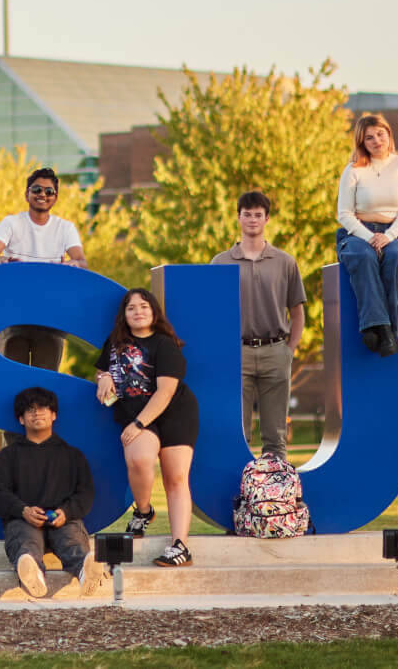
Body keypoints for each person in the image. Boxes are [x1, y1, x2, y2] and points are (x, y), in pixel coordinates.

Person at [96, 288, 198, 567]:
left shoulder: (165, 344)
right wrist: (103, 375)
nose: (138, 311)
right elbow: (102, 369)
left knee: (176, 478)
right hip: (134, 412)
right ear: (124, 315)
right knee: (140, 459)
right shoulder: (115, 342)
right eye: (131, 308)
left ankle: (180, 546)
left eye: (144, 306)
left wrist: (140, 423)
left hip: (174, 412)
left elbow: (165, 392)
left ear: (154, 312)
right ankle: (143, 511)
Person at [211, 190, 307, 460]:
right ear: (238, 218)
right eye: (247, 215)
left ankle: (276, 498)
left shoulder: (285, 262)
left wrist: (289, 350)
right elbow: (212, 314)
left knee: (275, 436)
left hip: (275, 351)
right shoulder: (220, 262)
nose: (252, 220)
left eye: (258, 215)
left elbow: (298, 312)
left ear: (267, 219)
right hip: (235, 353)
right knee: (236, 433)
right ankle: (237, 497)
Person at [0, 385, 104, 599]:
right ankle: (32, 573)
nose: (37, 413)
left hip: (63, 519)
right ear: (21, 419)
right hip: (23, 519)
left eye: (43, 408)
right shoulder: (7, 457)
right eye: (30, 409)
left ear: (54, 415)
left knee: (72, 539)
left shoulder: (73, 456)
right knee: (26, 542)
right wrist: (23, 510)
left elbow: (85, 493)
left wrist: (66, 512)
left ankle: (86, 571)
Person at [0, 167, 89, 371]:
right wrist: (1, 261)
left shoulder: (65, 228)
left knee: (46, 379)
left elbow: (82, 262)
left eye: (49, 192)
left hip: (50, 315)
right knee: (13, 377)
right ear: (27, 194)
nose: (42, 195)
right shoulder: (11, 223)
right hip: (15, 315)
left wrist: (73, 264)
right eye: (37, 189)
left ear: (55, 198)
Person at [335, 112, 398, 357]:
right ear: (362, 142)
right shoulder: (353, 170)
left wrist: (389, 236)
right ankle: (384, 329)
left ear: (389, 134)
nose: (376, 141)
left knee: (394, 258)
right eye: (369, 137)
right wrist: (369, 237)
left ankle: (378, 329)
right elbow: (344, 213)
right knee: (364, 257)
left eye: (380, 134)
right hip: (357, 234)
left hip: (395, 232)